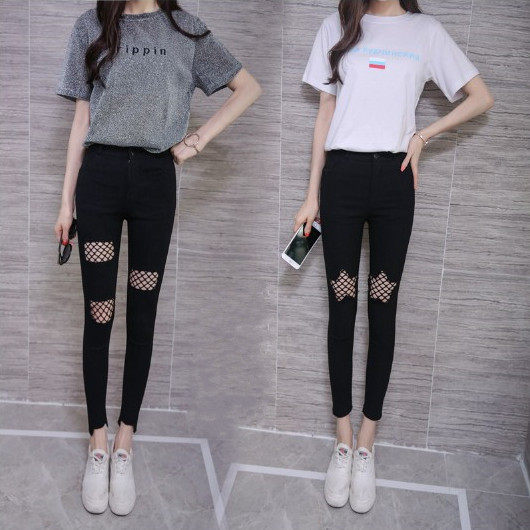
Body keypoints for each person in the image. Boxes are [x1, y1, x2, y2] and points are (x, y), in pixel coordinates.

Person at [54, 0, 261, 515]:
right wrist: (65, 203)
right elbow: (82, 118)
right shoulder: (91, 26)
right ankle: (98, 443)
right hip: (99, 180)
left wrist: (198, 140)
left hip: (154, 183)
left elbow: (248, 87)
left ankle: (125, 441)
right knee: (99, 313)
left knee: (142, 315)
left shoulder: (185, 29)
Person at [296, 0, 493, 514]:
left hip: (394, 181)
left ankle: (367, 442)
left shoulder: (425, 32)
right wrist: (311, 194)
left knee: (383, 308)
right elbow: (325, 113)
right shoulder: (337, 26)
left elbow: (481, 96)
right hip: (340, 179)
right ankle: (342, 438)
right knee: (341, 305)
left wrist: (422, 135)